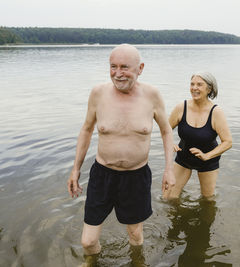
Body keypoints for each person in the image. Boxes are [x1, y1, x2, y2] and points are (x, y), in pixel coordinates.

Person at [66, 44, 175, 260]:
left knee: (135, 235)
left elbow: (166, 131)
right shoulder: (98, 93)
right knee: (87, 241)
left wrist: (169, 169)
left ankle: (137, 262)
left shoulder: (152, 95)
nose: (118, 73)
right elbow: (87, 129)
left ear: (140, 68)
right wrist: (75, 169)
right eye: (113, 66)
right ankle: (92, 262)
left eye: (124, 67)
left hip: (136, 176)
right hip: (102, 174)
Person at [164, 72, 232, 199]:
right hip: (183, 157)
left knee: (207, 200)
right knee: (168, 197)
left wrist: (207, 156)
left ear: (209, 89)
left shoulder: (216, 112)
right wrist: (170, 143)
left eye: (199, 84)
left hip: (208, 162)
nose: (194, 88)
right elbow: (165, 130)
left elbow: (228, 142)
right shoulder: (181, 107)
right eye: (192, 84)